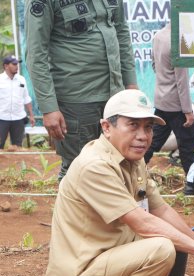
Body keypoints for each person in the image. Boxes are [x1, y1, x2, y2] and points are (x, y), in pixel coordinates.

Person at [46, 89, 194, 276]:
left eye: (148, 127)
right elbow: (142, 222)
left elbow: (160, 209)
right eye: (133, 126)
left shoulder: (131, 158)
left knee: (175, 239)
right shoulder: (95, 166)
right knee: (162, 247)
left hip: (105, 261)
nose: (143, 136)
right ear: (107, 127)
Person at [25, 0, 137, 179]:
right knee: (78, 168)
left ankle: (116, 207)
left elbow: (121, 34)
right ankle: (71, 208)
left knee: (118, 163)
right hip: (76, 101)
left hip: (115, 96)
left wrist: (131, 85)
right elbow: (35, 54)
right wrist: (49, 108)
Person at [143, 23, 194, 175]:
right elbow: (181, 82)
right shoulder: (178, 43)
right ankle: (193, 186)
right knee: (188, 146)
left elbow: (154, 65)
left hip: (162, 99)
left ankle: (134, 174)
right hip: (177, 105)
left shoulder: (158, 36)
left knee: (151, 143)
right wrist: (188, 111)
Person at [0, 56, 35, 149]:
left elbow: (26, 98)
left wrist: (31, 115)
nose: (17, 66)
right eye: (14, 64)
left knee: (17, 146)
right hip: (2, 118)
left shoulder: (21, 79)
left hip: (18, 118)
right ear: (6, 66)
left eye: (17, 64)